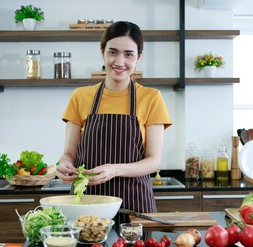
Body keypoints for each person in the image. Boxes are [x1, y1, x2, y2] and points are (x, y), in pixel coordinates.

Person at [55, 21, 172, 223]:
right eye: (113, 52)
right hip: (87, 207)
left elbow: (153, 161)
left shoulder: (151, 98)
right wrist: (64, 165)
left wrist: (114, 169)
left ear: (139, 57)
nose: (119, 61)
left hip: (134, 206)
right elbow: (69, 153)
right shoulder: (81, 96)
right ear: (102, 52)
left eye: (128, 54)